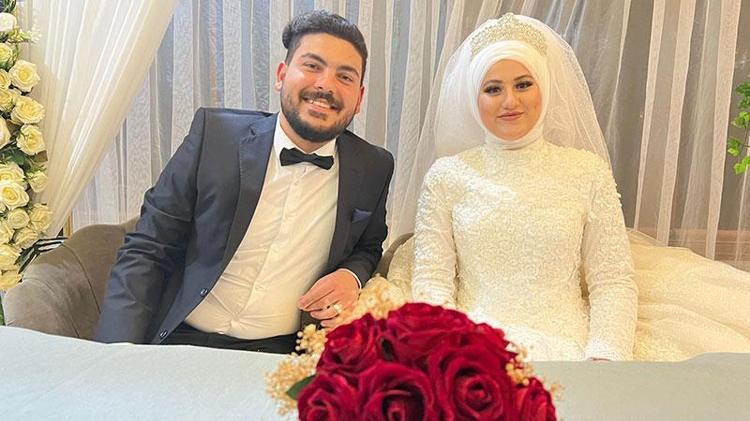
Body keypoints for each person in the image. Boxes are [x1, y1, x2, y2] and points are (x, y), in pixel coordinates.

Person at [95, 10, 394, 354]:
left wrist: (352, 276)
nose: (325, 85)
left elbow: (369, 246)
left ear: (359, 98)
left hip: (281, 353)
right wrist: (115, 355)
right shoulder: (215, 137)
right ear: (281, 75)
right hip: (179, 337)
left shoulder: (373, 167)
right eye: (312, 66)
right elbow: (149, 247)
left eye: (344, 76)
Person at [408, 13, 638, 361]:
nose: (510, 101)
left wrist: (605, 356)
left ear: (543, 87)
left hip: (574, 354)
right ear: (474, 97)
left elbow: (612, 280)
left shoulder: (588, 172)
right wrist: (450, 357)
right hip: (475, 353)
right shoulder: (446, 177)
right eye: (493, 89)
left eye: (523, 84)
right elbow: (432, 281)